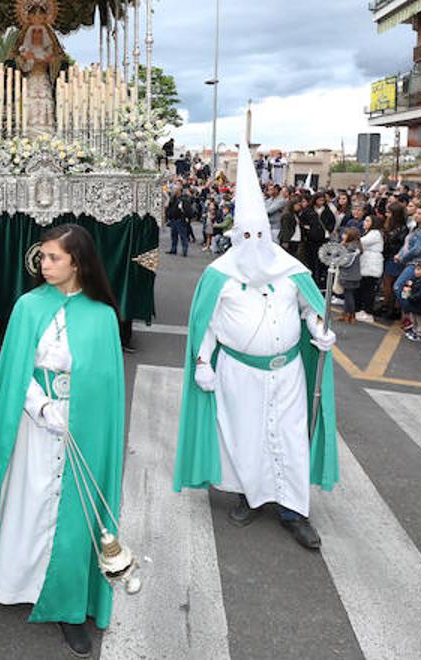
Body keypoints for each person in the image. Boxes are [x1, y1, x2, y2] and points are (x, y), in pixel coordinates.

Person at [0, 224, 126, 658]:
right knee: (28, 500)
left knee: (74, 510)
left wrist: (78, 412)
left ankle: (69, 607)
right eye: (43, 257)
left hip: (79, 426)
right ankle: (15, 581)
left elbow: (107, 384)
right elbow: (15, 370)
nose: (44, 265)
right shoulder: (28, 307)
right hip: (35, 423)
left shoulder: (102, 315)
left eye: (53, 258)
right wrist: (41, 406)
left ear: (78, 262)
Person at [175, 159, 338, 552]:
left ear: (270, 234)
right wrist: (201, 363)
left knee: (291, 438)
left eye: (259, 234)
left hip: (287, 373)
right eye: (245, 235)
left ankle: (293, 510)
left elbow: (309, 308)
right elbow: (207, 325)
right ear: (234, 237)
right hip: (239, 372)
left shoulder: (290, 269)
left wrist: (320, 329)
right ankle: (249, 495)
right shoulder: (219, 275)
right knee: (244, 437)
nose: (253, 241)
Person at [356, 213, 384, 323]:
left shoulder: (375, 233)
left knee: (369, 289)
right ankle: (362, 310)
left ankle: (368, 312)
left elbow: (361, 242)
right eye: (365, 220)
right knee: (364, 287)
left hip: (371, 264)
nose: (365, 222)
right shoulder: (369, 233)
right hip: (366, 263)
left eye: (368, 221)